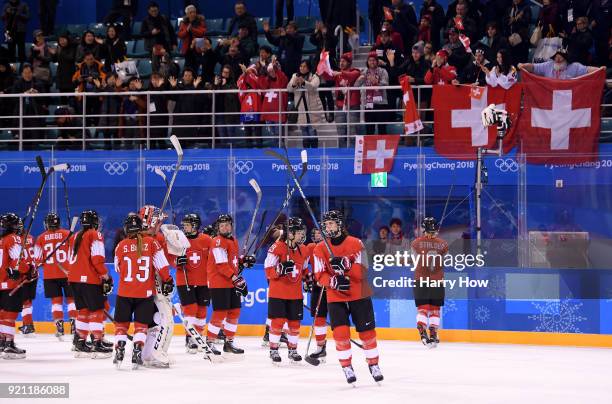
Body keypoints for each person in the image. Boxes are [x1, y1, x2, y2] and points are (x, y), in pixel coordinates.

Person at [313, 210, 383, 384]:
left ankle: (373, 364)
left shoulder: (356, 243)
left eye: (331, 223)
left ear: (339, 224)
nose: (328, 227)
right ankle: (346, 366)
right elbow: (319, 275)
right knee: (341, 333)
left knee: (367, 333)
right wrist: (333, 281)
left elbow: (363, 269)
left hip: (359, 293)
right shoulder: (319, 248)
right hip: (335, 296)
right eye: (326, 224)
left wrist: (345, 265)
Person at [112, 214, 173, 369]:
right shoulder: (152, 243)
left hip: (124, 293)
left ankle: (119, 350)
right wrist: (167, 281)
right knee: (141, 326)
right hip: (144, 294)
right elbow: (163, 266)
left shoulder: (121, 245)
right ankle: (137, 351)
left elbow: (118, 268)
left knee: (121, 326)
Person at [206, 214, 255, 354]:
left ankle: (229, 343)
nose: (225, 227)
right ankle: (210, 342)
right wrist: (236, 278)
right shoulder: (217, 242)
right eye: (222, 225)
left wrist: (242, 260)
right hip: (219, 283)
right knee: (220, 313)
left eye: (227, 224)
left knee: (234, 312)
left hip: (230, 282)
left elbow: (231, 260)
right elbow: (221, 265)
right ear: (218, 228)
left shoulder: (233, 240)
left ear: (231, 226)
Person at [67, 210, 113, 358]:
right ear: (94, 222)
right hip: (89, 279)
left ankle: (80, 342)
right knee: (97, 311)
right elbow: (97, 259)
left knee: (84, 311)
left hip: (74, 280)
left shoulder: (75, 236)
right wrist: (106, 276)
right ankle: (97, 342)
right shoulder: (95, 234)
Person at [263, 217, 309, 363]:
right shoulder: (277, 247)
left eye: (302, 232)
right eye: (299, 232)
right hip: (278, 293)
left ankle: (293, 350)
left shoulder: (304, 250)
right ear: (290, 234)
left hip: (295, 293)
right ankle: (274, 350)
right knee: (278, 322)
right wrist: (280, 269)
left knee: (295, 323)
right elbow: (268, 270)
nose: (302, 235)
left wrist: (308, 280)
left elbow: (305, 269)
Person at [174, 213, 212, 353]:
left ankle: (199, 336)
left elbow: (213, 259)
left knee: (202, 309)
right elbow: (170, 257)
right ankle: (190, 338)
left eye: (187, 225)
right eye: (184, 225)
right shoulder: (179, 239)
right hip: (184, 280)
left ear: (195, 226)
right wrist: (176, 261)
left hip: (203, 280)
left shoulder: (207, 240)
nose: (185, 227)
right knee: (191, 309)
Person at [411, 217, 448, 347]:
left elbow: (413, 260)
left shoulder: (415, 243)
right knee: (435, 309)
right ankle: (433, 333)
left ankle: (422, 330)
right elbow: (445, 261)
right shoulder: (443, 244)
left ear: (423, 228)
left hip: (421, 279)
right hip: (437, 280)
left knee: (423, 308)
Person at [0, 213, 33, 358]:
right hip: (10, 283)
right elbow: (17, 262)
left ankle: (2, 342)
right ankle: (9, 344)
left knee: (2, 314)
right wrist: (29, 270)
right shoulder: (12, 238)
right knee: (10, 314)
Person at [321, 52, 361, 147]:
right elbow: (327, 76)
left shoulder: (356, 71)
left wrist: (339, 72)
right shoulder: (337, 74)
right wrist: (323, 67)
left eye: (344, 61)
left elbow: (351, 76)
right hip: (339, 106)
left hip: (353, 106)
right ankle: (342, 154)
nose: (341, 63)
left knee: (353, 131)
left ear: (349, 63)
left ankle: (353, 154)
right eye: (340, 61)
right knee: (340, 132)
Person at [287, 60, 325, 148]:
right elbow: (289, 89)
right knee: (304, 133)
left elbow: (312, 87)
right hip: (301, 108)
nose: (302, 68)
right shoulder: (294, 76)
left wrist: (303, 82)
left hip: (312, 109)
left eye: (304, 66)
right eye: (301, 66)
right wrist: (294, 84)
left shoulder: (314, 77)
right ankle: (307, 153)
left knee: (312, 132)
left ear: (308, 68)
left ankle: (314, 153)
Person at [9, 64, 46, 149]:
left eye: (29, 72)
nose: (27, 75)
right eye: (25, 73)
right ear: (22, 73)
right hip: (21, 114)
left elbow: (45, 99)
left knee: (35, 139)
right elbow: (13, 99)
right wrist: (24, 94)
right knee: (23, 139)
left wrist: (38, 94)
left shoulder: (38, 83)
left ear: (32, 73)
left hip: (35, 114)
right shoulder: (17, 83)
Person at [305, 227, 328, 361]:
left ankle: (343, 347)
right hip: (318, 286)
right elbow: (302, 265)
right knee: (318, 317)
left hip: (333, 286)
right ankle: (320, 348)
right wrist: (307, 278)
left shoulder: (331, 246)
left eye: (321, 232)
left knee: (339, 319)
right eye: (316, 233)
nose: (318, 235)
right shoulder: (311, 246)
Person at [518, 48, 603, 79]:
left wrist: (600, 70)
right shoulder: (548, 65)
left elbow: (587, 70)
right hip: (550, 98)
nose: (557, 59)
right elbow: (533, 67)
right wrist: (523, 65)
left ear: (566, 58)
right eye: (555, 57)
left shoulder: (575, 66)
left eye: (560, 57)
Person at [141, 1, 177, 72]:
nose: (154, 12)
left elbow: (171, 32)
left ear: (158, 9)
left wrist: (174, 43)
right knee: (155, 68)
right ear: (148, 11)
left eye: (156, 10)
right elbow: (142, 34)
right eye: (152, 11)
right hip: (153, 47)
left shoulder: (164, 18)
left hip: (165, 45)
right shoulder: (145, 21)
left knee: (169, 66)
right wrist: (151, 33)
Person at [359, 52, 389, 135]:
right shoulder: (364, 72)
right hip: (369, 103)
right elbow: (356, 85)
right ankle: (370, 147)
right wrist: (359, 78)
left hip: (381, 103)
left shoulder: (383, 71)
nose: (372, 62)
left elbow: (386, 83)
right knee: (369, 128)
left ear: (377, 61)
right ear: (367, 62)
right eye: (370, 60)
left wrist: (377, 82)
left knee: (382, 128)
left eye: (374, 60)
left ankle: (382, 146)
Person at [261, 59, 288, 143]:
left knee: (279, 136)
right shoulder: (267, 81)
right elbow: (261, 85)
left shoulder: (282, 78)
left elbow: (281, 80)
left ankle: (281, 153)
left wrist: (276, 68)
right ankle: (275, 154)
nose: (272, 73)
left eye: (273, 71)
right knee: (272, 136)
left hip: (278, 113)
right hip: (268, 113)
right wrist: (263, 68)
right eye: (270, 71)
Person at [16, 217, 36, 336]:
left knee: (24, 301)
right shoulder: (30, 237)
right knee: (27, 301)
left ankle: (28, 326)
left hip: (23, 273)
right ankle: (28, 324)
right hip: (33, 273)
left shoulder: (15, 240)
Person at [213, 64, 241, 147]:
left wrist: (224, 85)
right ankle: (224, 158)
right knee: (222, 139)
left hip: (230, 114)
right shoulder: (217, 82)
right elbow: (212, 97)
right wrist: (215, 85)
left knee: (231, 138)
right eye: (223, 72)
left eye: (227, 73)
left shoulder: (234, 84)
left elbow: (231, 96)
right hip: (219, 113)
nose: (225, 74)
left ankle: (233, 157)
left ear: (230, 74)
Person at [177, 5, 207, 71]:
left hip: (198, 46)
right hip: (187, 48)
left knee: (197, 67)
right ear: (187, 14)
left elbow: (202, 33)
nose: (193, 14)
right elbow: (180, 34)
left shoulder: (200, 21)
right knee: (188, 68)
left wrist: (192, 29)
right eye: (190, 12)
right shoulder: (183, 23)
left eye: (194, 12)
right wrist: (187, 30)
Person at [51, 33, 77, 102]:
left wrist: (60, 52)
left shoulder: (72, 47)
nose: (62, 41)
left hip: (70, 75)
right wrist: (54, 54)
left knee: (72, 98)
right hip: (61, 76)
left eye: (63, 39)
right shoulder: (59, 49)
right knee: (63, 98)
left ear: (67, 39)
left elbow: (71, 58)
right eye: (60, 40)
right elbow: (54, 61)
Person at [504, 0, 531, 64]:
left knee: (520, 61)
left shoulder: (526, 8)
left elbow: (527, 22)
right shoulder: (510, 8)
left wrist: (517, 19)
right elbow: (505, 20)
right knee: (511, 60)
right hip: (510, 37)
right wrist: (508, 21)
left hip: (521, 39)